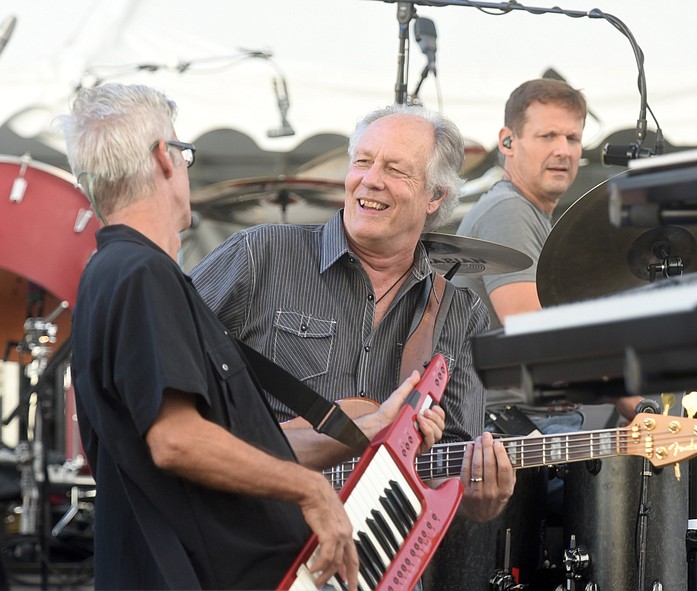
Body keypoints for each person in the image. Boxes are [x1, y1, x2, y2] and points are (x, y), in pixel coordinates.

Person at [58, 83, 446, 590]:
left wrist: (369, 427)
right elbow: (175, 440)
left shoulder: (133, 274)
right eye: (183, 150)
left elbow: (233, 445)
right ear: (164, 159)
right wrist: (312, 491)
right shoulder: (138, 274)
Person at [190, 104, 517, 588]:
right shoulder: (259, 255)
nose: (370, 180)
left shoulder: (458, 311)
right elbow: (166, 370)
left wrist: (481, 497)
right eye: (362, 162)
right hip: (253, 548)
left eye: (395, 169)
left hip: (377, 564)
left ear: (436, 197)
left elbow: (449, 461)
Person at [455, 78, 641, 424]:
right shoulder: (507, 211)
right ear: (508, 141)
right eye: (548, 136)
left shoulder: (530, 214)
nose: (564, 150)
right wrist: (631, 399)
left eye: (572, 138)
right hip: (514, 428)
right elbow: (537, 338)